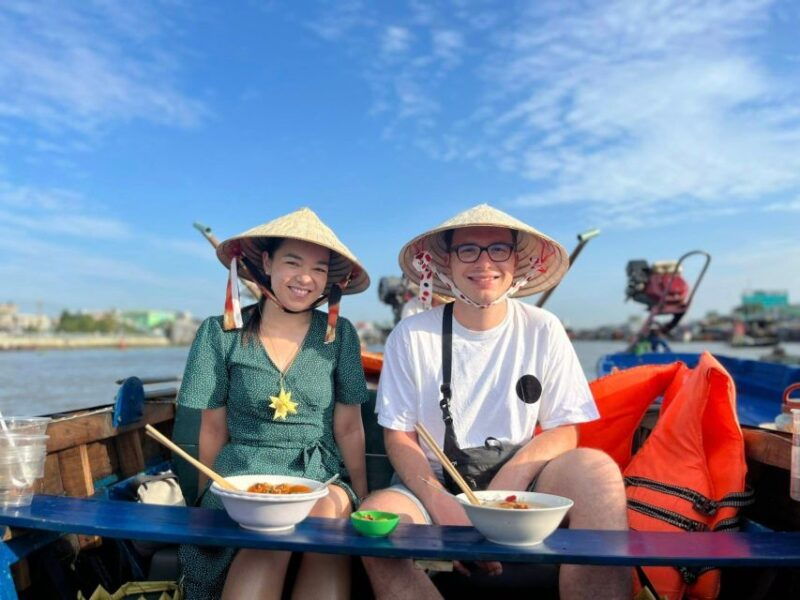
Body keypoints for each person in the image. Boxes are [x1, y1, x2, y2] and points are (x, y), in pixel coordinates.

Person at [360, 204, 630, 600]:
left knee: (597, 470)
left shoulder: (544, 328)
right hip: (432, 481)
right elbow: (400, 437)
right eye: (468, 250)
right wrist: (441, 503)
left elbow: (565, 429)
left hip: (519, 477)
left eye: (498, 249)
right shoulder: (411, 335)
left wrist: (507, 487)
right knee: (379, 520)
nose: (484, 262)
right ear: (446, 264)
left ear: (517, 262)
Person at [177, 207, 370, 600]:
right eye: (292, 262)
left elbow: (349, 426)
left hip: (319, 471)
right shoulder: (219, 332)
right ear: (267, 263)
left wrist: (362, 500)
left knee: (325, 524)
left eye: (319, 269)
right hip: (241, 473)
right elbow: (212, 427)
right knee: (269, 531)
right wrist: (204, 499)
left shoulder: (341, 336)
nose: (305, 278)